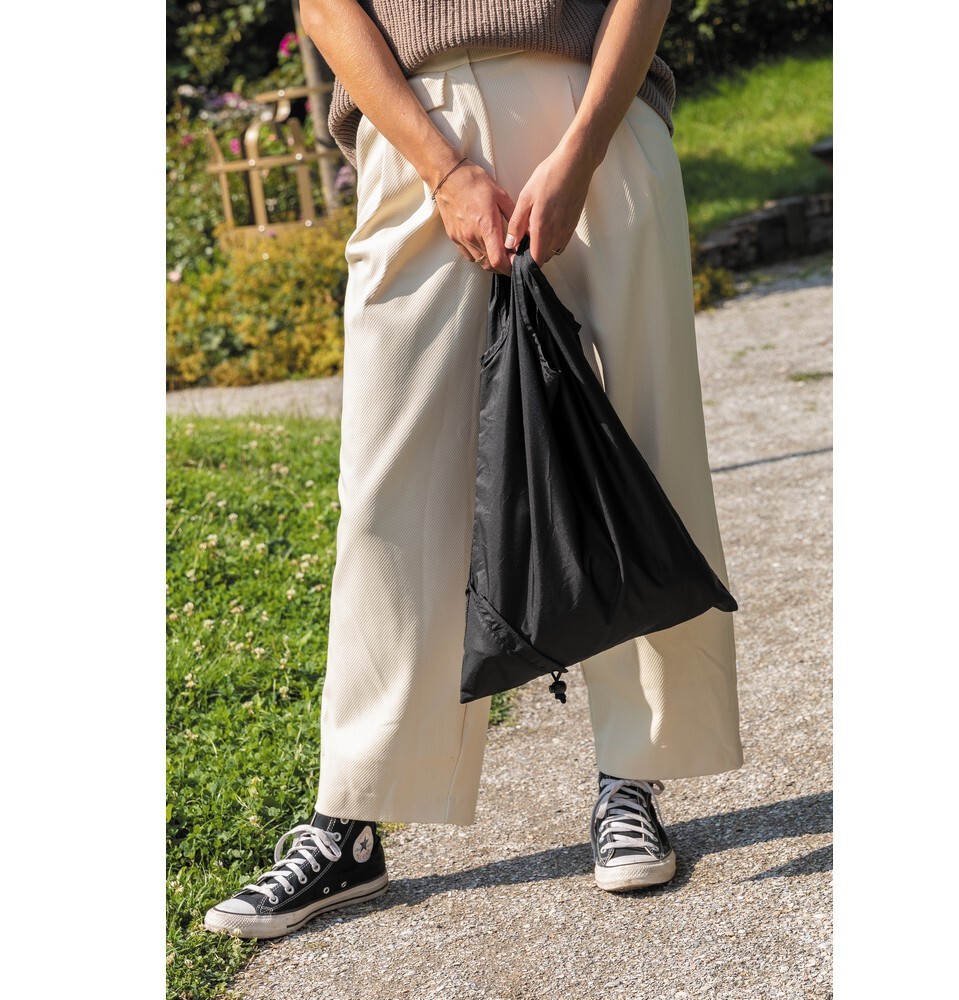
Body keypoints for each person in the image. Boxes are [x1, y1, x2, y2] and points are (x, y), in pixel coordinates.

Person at [204, 0, 743, 940]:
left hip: (594, 109)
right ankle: (352, 816)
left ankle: (634, 774)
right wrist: (446, 169)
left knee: (643, 447)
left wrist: (582, 149)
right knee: (388, 485)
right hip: (418, 124)